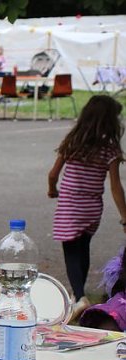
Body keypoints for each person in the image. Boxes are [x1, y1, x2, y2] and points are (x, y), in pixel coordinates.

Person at [48, 94, 126, 319]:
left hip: (70, 204)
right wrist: (124, 217)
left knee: (71, 251)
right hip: (92, 207)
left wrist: (52, 189)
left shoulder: (73, 142)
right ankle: (76, 297)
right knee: (83, 248)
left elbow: (53, 174)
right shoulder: (109, 149)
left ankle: (80, 297)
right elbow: (115, 186)